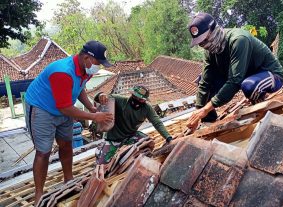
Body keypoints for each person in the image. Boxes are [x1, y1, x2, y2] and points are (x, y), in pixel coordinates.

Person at [24, 40, 114, 205]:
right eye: (98, 62)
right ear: (86, 57)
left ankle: (69, 179)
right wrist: (95, 117)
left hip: (64, 107)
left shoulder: (87, 70)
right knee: (43, 152)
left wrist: (91, 108)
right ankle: (39, 194)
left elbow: (80, 89)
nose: (99, 66)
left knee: (66, 144)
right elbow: (65, 108)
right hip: (41, 108)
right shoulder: (63, 72)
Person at [186, 12, 283, 132]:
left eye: (205, 40)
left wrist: (206, 109)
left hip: (270, 75)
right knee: (203, 80)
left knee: (249, 86)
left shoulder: (238, 40)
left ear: (213, 30)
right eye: (200, 43)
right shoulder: (210, 51)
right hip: (244, 77)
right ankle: (208, 122)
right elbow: (205, 83)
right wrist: (198, 113)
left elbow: (234, 81)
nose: (204, 45)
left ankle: (261, 107)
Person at [94, 85, 173, 164]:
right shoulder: (120, 101)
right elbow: (102, 98)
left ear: (144, 100)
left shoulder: (147, 109)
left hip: (130, 136)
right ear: (132, 94)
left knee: (148, 143)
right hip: (112, 138)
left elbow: (157, 122)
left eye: (140, 99)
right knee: (101, 163)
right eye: (135, 97)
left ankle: (134, 158)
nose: (137, 100)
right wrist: (101, 95)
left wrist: (168, 138)